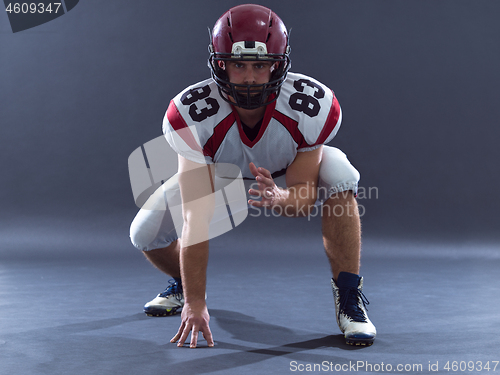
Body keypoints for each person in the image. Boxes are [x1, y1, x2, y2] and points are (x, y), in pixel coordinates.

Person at [130, 4, 376, 348]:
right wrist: (195, 303)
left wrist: (282, 197)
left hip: (283, 173)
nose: (248, 77)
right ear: (220, 63)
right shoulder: (189, 112)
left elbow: (303, 198)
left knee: (341, 173)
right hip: (216, 174)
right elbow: (195, 217)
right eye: (238, 65)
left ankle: (349, 297)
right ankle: (183, 284)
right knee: (143, 234)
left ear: (278, 64)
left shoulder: (308, 105)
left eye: (260, 65)